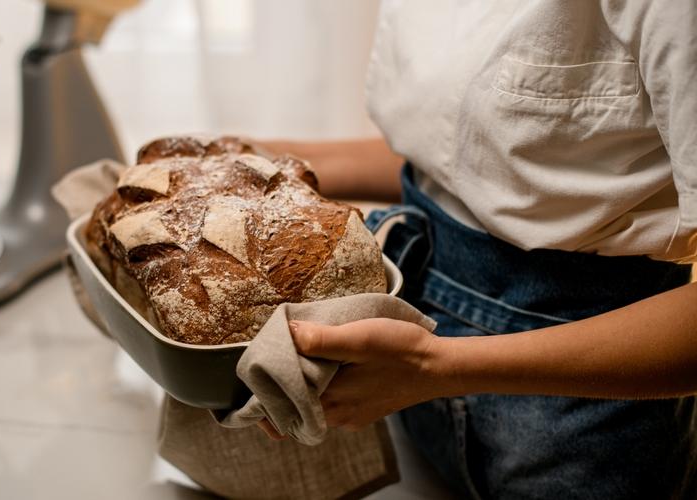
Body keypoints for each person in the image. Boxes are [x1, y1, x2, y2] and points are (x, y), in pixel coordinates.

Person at [257, 2, 697, 499]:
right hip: (412, 363)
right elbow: (471, 161)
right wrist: (262, 161)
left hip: (583, 411)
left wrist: (435, 368)